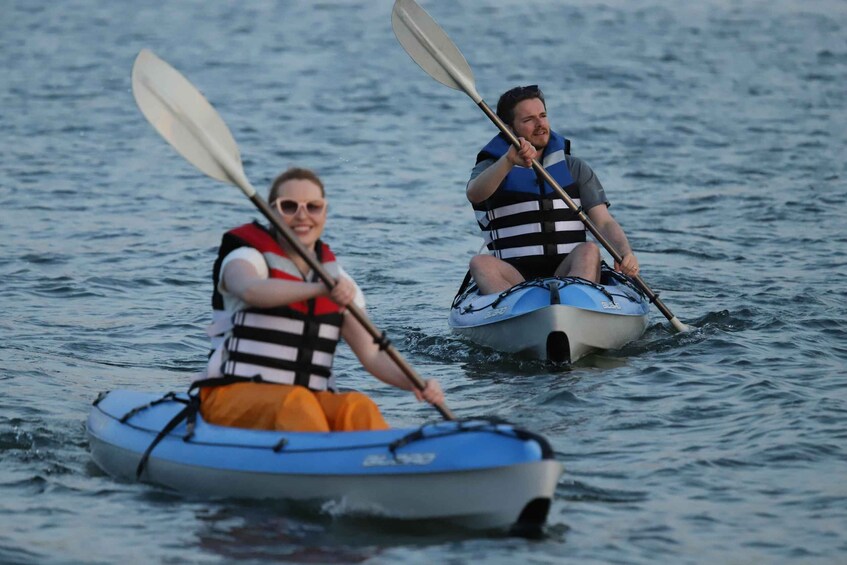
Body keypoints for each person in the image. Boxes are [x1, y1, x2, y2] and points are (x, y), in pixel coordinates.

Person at [197, 167, 444, 432]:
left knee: (357, 406)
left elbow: (372, 355)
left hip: (306, 401)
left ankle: (388, 467)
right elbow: (250, 290)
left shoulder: (339, 281)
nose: (302, 216)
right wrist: (318, 290)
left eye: (313, 207)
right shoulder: (246, 258)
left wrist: (415, 383)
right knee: (296, 402)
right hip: (231, 395)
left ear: (324, 212)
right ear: (271, 212)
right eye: (289, 206)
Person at [466, 84, 640, 295]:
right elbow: (474, 194)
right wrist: (508, 161)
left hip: (569, 270)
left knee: (589, 250)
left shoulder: (574, 167)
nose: (540, 124)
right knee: (479, 262)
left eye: (543, 115)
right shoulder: (492, 166)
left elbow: (603, 220)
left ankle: (576, 304)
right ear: (508, 128)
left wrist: (624, 252)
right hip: (513, 278)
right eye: (528, 120)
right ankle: (519, 313)